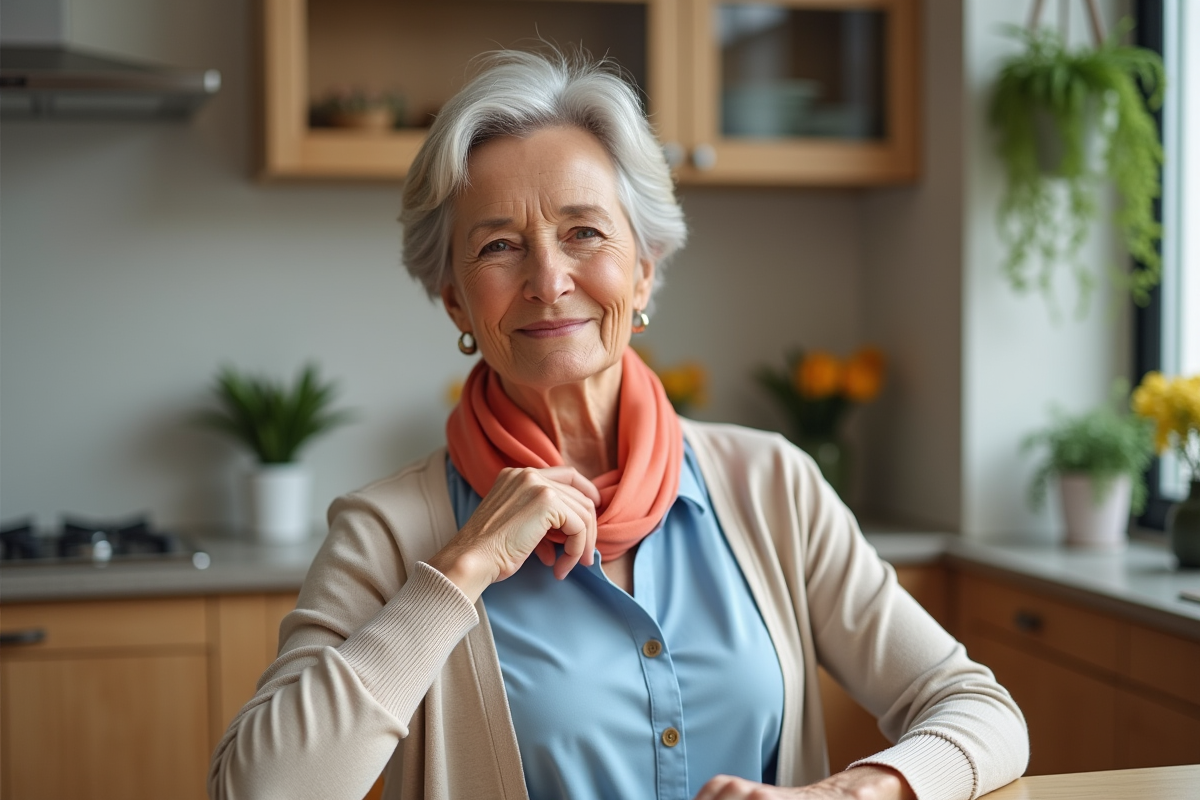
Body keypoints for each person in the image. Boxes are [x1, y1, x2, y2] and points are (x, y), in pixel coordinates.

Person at [208, 50, 1028, 800]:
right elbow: (257, 791)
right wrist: (463, 569)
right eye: (498, 247)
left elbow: (979, 710)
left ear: (643, 271)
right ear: (454, 300)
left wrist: (863, 790)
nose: (548, 279)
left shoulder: (771, 484)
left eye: (584, 233)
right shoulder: (387, 533)